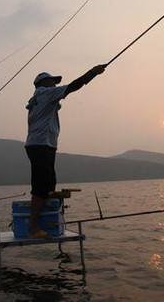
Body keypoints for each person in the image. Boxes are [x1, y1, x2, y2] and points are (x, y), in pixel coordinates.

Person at [25, 64, 106, 238]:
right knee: (40, 187)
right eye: (52, 82)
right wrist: (93, 72)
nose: (55, 85)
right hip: (40, 145)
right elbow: (73, 86)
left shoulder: (36, 99)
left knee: (49, 184)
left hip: (44, 145)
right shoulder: (45, 93)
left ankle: (46, 222)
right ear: (43, 83)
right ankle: (32, 227)